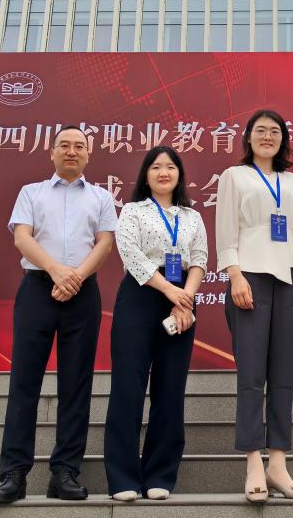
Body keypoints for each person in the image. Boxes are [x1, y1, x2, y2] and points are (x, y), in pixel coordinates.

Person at [0, 126, 117, 505]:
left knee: (76, 384)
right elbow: (22, 237)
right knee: (24, 381)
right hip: (37, 290)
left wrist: (75, 277)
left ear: (89, 153)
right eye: (64, 145)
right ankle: (13, 473)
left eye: (79, 146)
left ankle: (65, 471)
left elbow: (105, 243)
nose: (71, 151)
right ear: (52, 151)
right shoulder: (31, 192)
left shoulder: (101, 197)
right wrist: (57, 271)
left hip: (83, 294)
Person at [217, 109, 293, 503]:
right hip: (250, 275)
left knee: (283, 374)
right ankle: (254, 462)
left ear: (283, 139)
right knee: (252, 374)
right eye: (261, 130)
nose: (268, 136)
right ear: (248, 137)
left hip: (290, 275)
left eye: (275, 131)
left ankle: (278, 463)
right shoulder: (234, 176)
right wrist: (235, 275)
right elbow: (226, 230)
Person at [104, 145, 207, 502]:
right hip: (141, 293)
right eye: (156, 167)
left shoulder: (192, 216)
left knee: (170, 388)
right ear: (146, 175)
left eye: (170, 167)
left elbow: (200, 259)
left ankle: (160, 474)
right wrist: (168, 290)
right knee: (128, 386)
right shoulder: (133, 210)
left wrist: (185, 298)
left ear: (179, 175)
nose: (164, 172)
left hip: (182, 300)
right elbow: (130, 253)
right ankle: (123, 478)